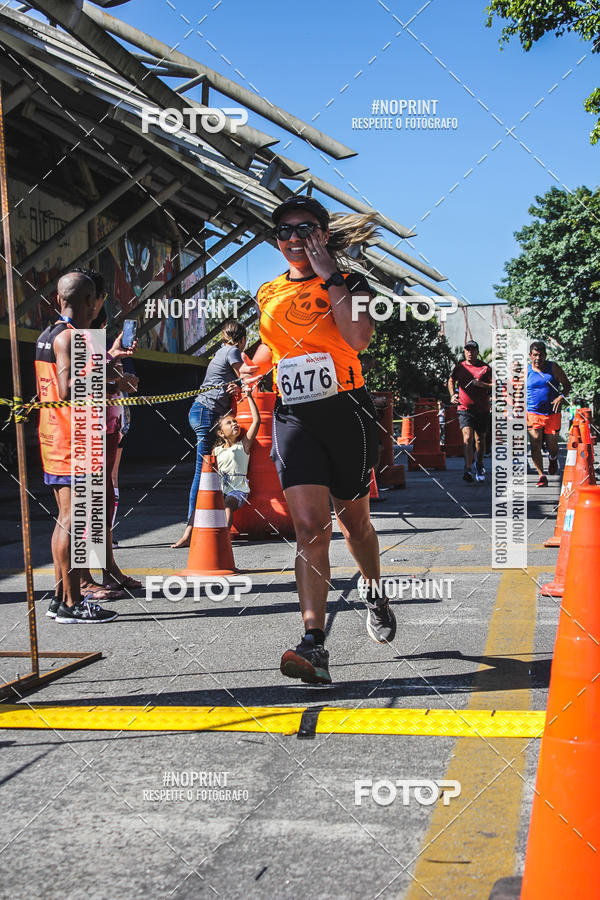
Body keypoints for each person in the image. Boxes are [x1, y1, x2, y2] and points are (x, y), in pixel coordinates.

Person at [240, 195, 394, 686]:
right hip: (295, 417)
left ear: (323, 235)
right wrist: (255, 365)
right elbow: (276, 341)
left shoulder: (352, 284)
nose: (293, 240)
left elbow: (358, 337)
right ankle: (314, 643)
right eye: (283, 232)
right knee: (309, 526)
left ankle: (372, 587)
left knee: (356, 526)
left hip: (346, 412)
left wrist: (332, 277)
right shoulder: (267, 292)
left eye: (305, 230)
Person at [36, 272, 129, 623]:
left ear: (59, 299)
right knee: (75, 520)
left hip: (56, 436)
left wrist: (106, 365)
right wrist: (105, 378)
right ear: (90, 302)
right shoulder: (71, 338)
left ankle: (61, 599)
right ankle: (73, 603)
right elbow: (66, 388)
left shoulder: (49, 334)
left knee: (65, 519)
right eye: (96, 303)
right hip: (73, 440)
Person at [172, 321, 246, 548]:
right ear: (242, 339)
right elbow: (246, 375)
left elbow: (237, 380)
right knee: (202, 473)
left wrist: (237, 386)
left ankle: (201, 526)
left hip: (201, 411)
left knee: (209, 472)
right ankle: (190, 530)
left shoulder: (219, 352)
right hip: (206, 413)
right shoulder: (233, 350)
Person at [213, 389, 261, 527]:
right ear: (221, 433)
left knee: (227, 504)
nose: (235, 424)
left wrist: (250, 396)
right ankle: (188, 536)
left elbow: (256, 421)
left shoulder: (243, 445)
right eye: (229, 423)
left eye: (235, 421)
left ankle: (224, 537)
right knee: (201, 506)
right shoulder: (216, 451)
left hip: (238, 490)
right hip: (221, 490)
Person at [527, 340, 571, 487]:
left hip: (552, 413)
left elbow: (567, 385)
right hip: (533, 413)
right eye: (535, 355)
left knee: (552, 444)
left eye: (540, 355)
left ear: (545, 355)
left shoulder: (554, 368)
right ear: (530, 356)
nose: (538, 358)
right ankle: (541, 475)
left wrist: (561, 397)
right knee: (535, 444)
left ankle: (552, 458)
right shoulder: (526, 372)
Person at [448, 340, 492, 482]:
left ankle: (479, 464)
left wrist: (481, 384)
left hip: (482, 409)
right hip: (464, 408)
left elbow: (495, 385)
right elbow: (451, 380)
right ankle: (467, 468)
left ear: (477, 352)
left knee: (480, 439)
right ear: (464, 352)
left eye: (472, 350)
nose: (470, 352)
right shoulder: (459, 367)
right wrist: (452, 395)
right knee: (467, 438)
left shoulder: (485, 368)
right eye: (467, 350)